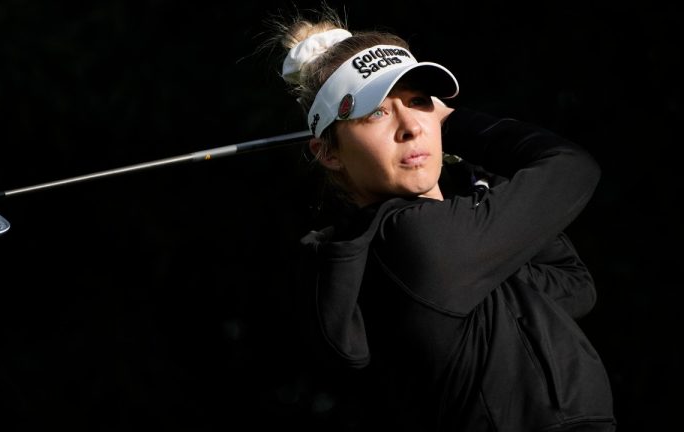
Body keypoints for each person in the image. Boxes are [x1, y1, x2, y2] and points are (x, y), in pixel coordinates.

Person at [261, 4, 616, 432]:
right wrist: (457, 122)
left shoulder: (453, 226)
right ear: (329, 152)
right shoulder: (411, 236)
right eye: (376, 112)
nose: (411, 125)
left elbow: (574, 287)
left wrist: (477, 185)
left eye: (420, 101)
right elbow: (571, 168)